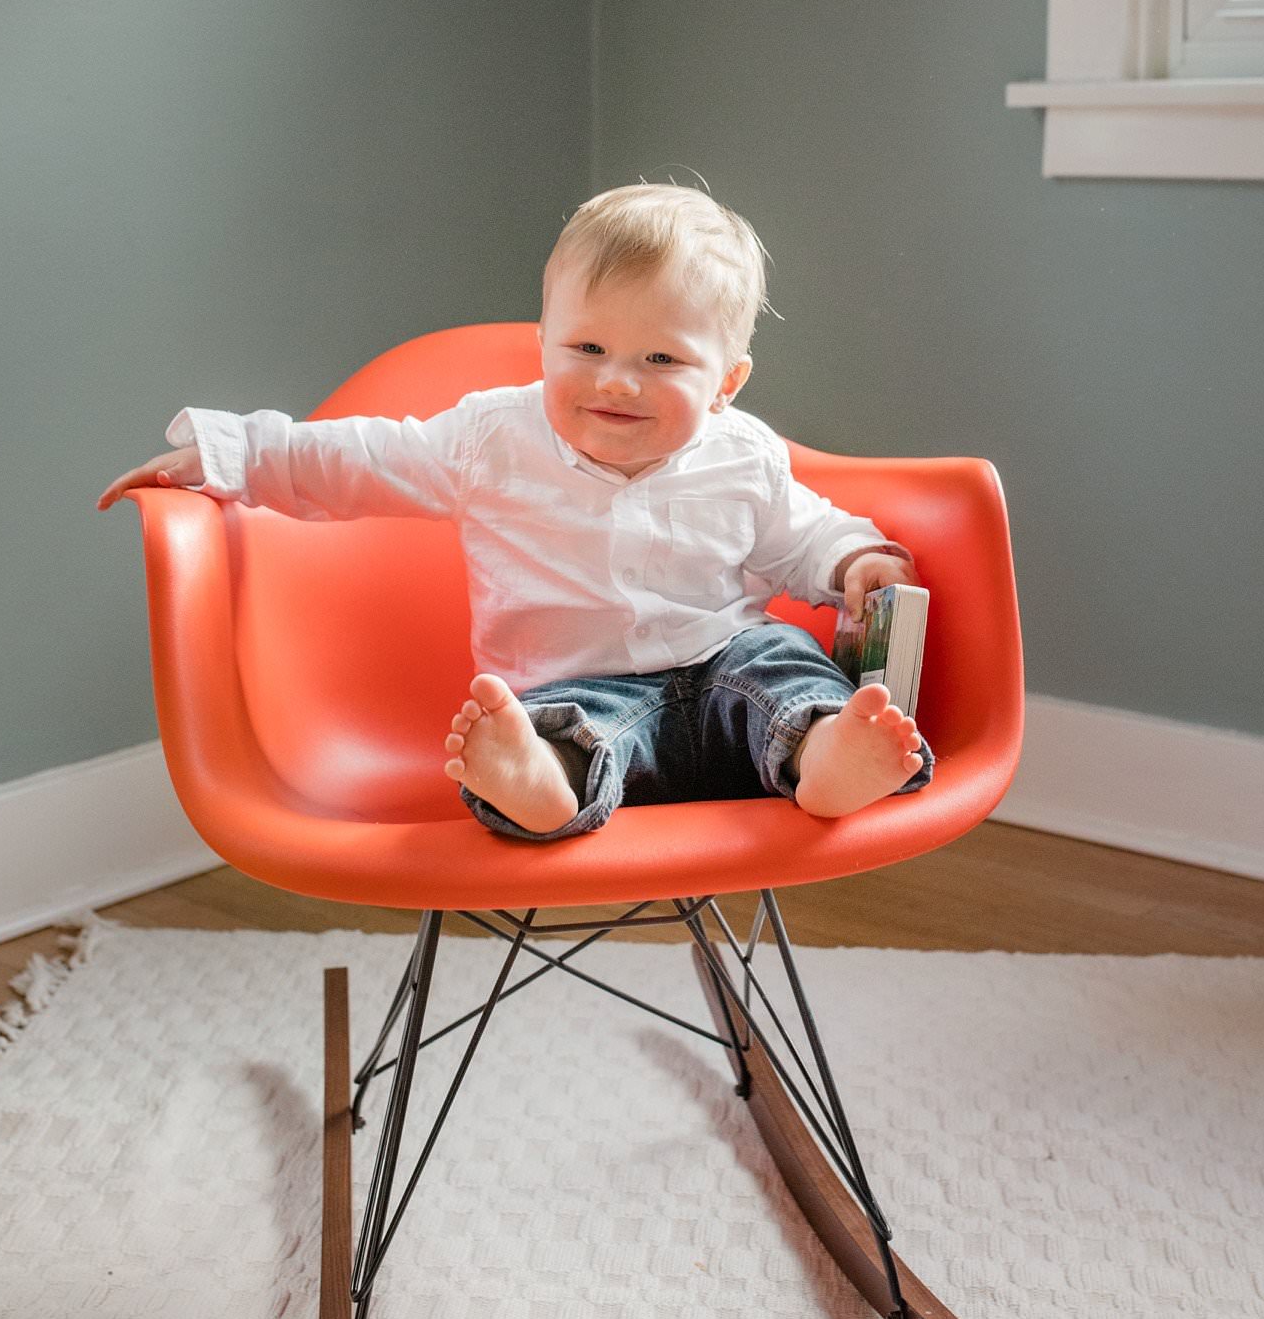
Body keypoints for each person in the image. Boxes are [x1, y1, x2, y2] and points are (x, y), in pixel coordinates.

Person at [96, 184, 933, 841]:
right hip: (584, 694)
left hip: (723, 673)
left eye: (661, 359)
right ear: (545, 342)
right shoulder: (493, 439)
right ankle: (537, 785)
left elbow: (807, 534)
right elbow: (354, 457)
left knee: (786, 660)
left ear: (726, 382)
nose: (616, 380)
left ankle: (829, 754)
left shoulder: (743, 452)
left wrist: (858, 562)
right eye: (588, 348)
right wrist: (228, 455)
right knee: (556, 730)